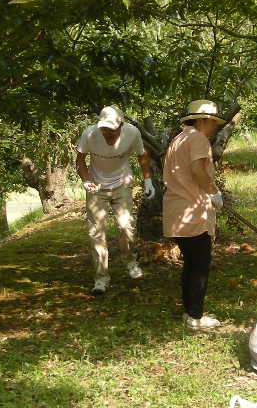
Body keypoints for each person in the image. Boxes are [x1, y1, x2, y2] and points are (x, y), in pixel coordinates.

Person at [76, 105, 155, 295]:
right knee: (96, 232)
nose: (107, 133)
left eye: (111, 129)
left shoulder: (132, 133)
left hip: (122, 183)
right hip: (96, 187)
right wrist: (86, 181)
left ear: (121, 125)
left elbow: (142, 155)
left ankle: (130, 262)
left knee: (125, 226)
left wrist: (148, 180)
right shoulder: (90, 134)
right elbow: (80, 161)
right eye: (104, 129)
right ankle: (101, 278)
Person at [163, 99, 226, 330]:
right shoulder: (197, 138)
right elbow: (198, 170)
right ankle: (195, 317)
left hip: (176, 210)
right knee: (199, 265)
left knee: (191, 264)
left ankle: (190, 312)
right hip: (192, 211)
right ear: (201, 120)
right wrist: (213, 191)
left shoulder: (179, 139)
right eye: (212, 122)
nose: (215, 127)